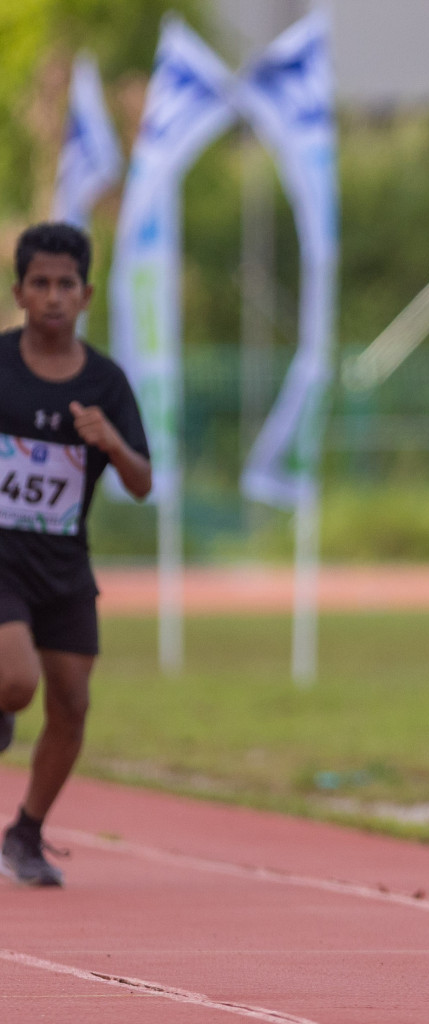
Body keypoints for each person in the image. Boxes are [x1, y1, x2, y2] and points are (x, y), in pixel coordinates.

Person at [0, 222, 152, 887]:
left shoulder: (106, 382)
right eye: (41, 284)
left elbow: (143, 484)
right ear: (19, 292)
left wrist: (112, 442)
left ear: (87, 294)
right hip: (1, 554)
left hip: (63, 564)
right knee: (18, 681)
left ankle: (26, 834)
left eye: (67, 284)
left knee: (71, 702)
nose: (54, 296)